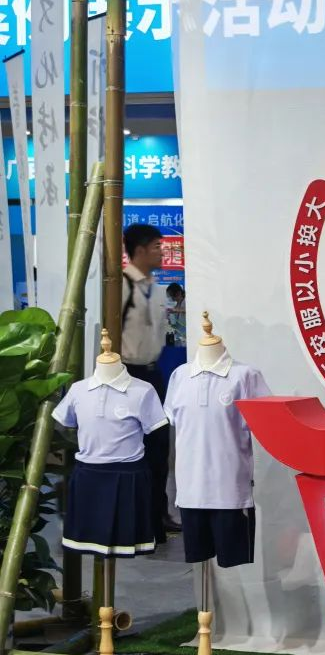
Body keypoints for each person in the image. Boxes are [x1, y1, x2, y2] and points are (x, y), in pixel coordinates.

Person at [122, 224, 177, 542]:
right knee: (132, 449)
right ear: (140, 250)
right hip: (128, 375)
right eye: (157, 246)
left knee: (159, 448)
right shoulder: (120, 286)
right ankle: (136, 521)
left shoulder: (157, 289)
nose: (162, 251)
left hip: (154, 375)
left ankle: (158, 517)